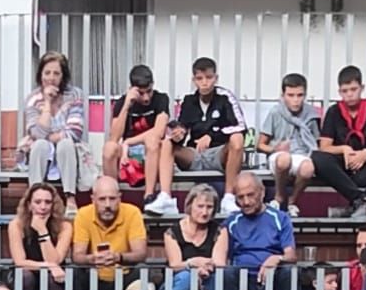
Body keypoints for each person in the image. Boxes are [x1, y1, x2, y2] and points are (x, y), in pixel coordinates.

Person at [212, 170, 297, 290]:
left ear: (262, 192)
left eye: (250, 195)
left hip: (272, 280)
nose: (246, 202)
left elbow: (291, 255)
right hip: (243, 282)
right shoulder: (232, 221)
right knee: (226, 273)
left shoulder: (280, 218)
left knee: (289, 271)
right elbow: (220, 257)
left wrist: (277, 258)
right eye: (240, 197)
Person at [310, 64, 366, 220]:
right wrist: (343, 149)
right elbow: (324, 146)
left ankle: (360, 205)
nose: (349, 94)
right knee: (318, 158)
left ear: (361, 88)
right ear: (339, 92)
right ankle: (359, 200)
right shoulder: (333, 111)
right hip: (341, 167)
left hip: (365, 165)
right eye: (345, 91)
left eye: (353, 89)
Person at [167, 56, 247, 215]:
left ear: (216, 78)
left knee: (237, 139)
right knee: (166, 144)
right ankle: (165, 197)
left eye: (209, 77)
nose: (204, 82)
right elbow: (183, 128)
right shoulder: (189, 100)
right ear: (193, 80)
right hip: (195, 154)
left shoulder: (225, 97)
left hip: (219, 153)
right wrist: (178, 134)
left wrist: (212, 135)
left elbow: (241, 126)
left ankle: (229, 197)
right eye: (199, 78)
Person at [18, 50, 91, 210]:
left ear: (63, 76)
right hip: (42, 149)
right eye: (47, 73)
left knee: (65, 143)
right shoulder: (33, 98)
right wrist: (47, 102)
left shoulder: (75, 94)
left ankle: (70, 198)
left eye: (56, 73)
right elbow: (36, 134)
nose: (51, 77)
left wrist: (49, 136)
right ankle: (35, 197)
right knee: (39, 146)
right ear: (40, 75)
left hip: (68, 149)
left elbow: (75, 131)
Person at [71, 174, 149, 290]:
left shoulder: (132, 212)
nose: (107, 204)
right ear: (93, 199)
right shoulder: (83, 214)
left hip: (123, 282)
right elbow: (77, 255)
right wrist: (92, 259)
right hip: (94, 283)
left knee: (141, 271)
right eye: (102, 199)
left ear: (120, 198)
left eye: (112, 199)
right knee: (73, 273)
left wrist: (118, 257)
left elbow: (141, 253)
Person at [102, 64, 176, 217]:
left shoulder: (161, 99)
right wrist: (127, 106)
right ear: (132, 89)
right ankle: (112, 196)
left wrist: (128, 142)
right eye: (141, 93)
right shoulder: (123, 102)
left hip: (152, 151)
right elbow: (114, 137)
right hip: (127, 155)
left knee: (152, 141)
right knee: (109, 148)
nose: (146, 98)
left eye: (149, 91)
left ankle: (148, 197)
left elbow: (159, 131)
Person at [6, 182, 72, 290]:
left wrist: (42, 231)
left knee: (54, 278)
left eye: (47, 202)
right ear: (29, 205)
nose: (43, 207)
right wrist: (48, 266)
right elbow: (20, 261)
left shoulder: (65, 226)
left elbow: (56, 259)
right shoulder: (16, 224)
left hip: (53, 282)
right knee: (26, 276)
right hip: (25, 279)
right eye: (38, 202)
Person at [257, 71, 321, 215]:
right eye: (291, 95)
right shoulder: (275, 112)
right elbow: (260, 145)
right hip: (279, 155)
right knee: (284, 159)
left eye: (300, 95)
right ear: (283, 95)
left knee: (308, 168)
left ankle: (292, 201)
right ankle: (279, 197)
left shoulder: (311, 114)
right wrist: (275, 149)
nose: (295, 100)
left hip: (302, 154)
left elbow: (317, 143)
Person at [163, 182, 220, 290]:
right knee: (186, 277)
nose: (205, 212)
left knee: (219, 279)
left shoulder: (219, 231)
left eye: (209, 207)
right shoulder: (172, 232)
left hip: (206, 284)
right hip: (174, 287)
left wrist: (204, 268)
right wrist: (193, 263)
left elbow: (218, 261)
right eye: (200, 206)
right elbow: (175, 265)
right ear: (189, 206)